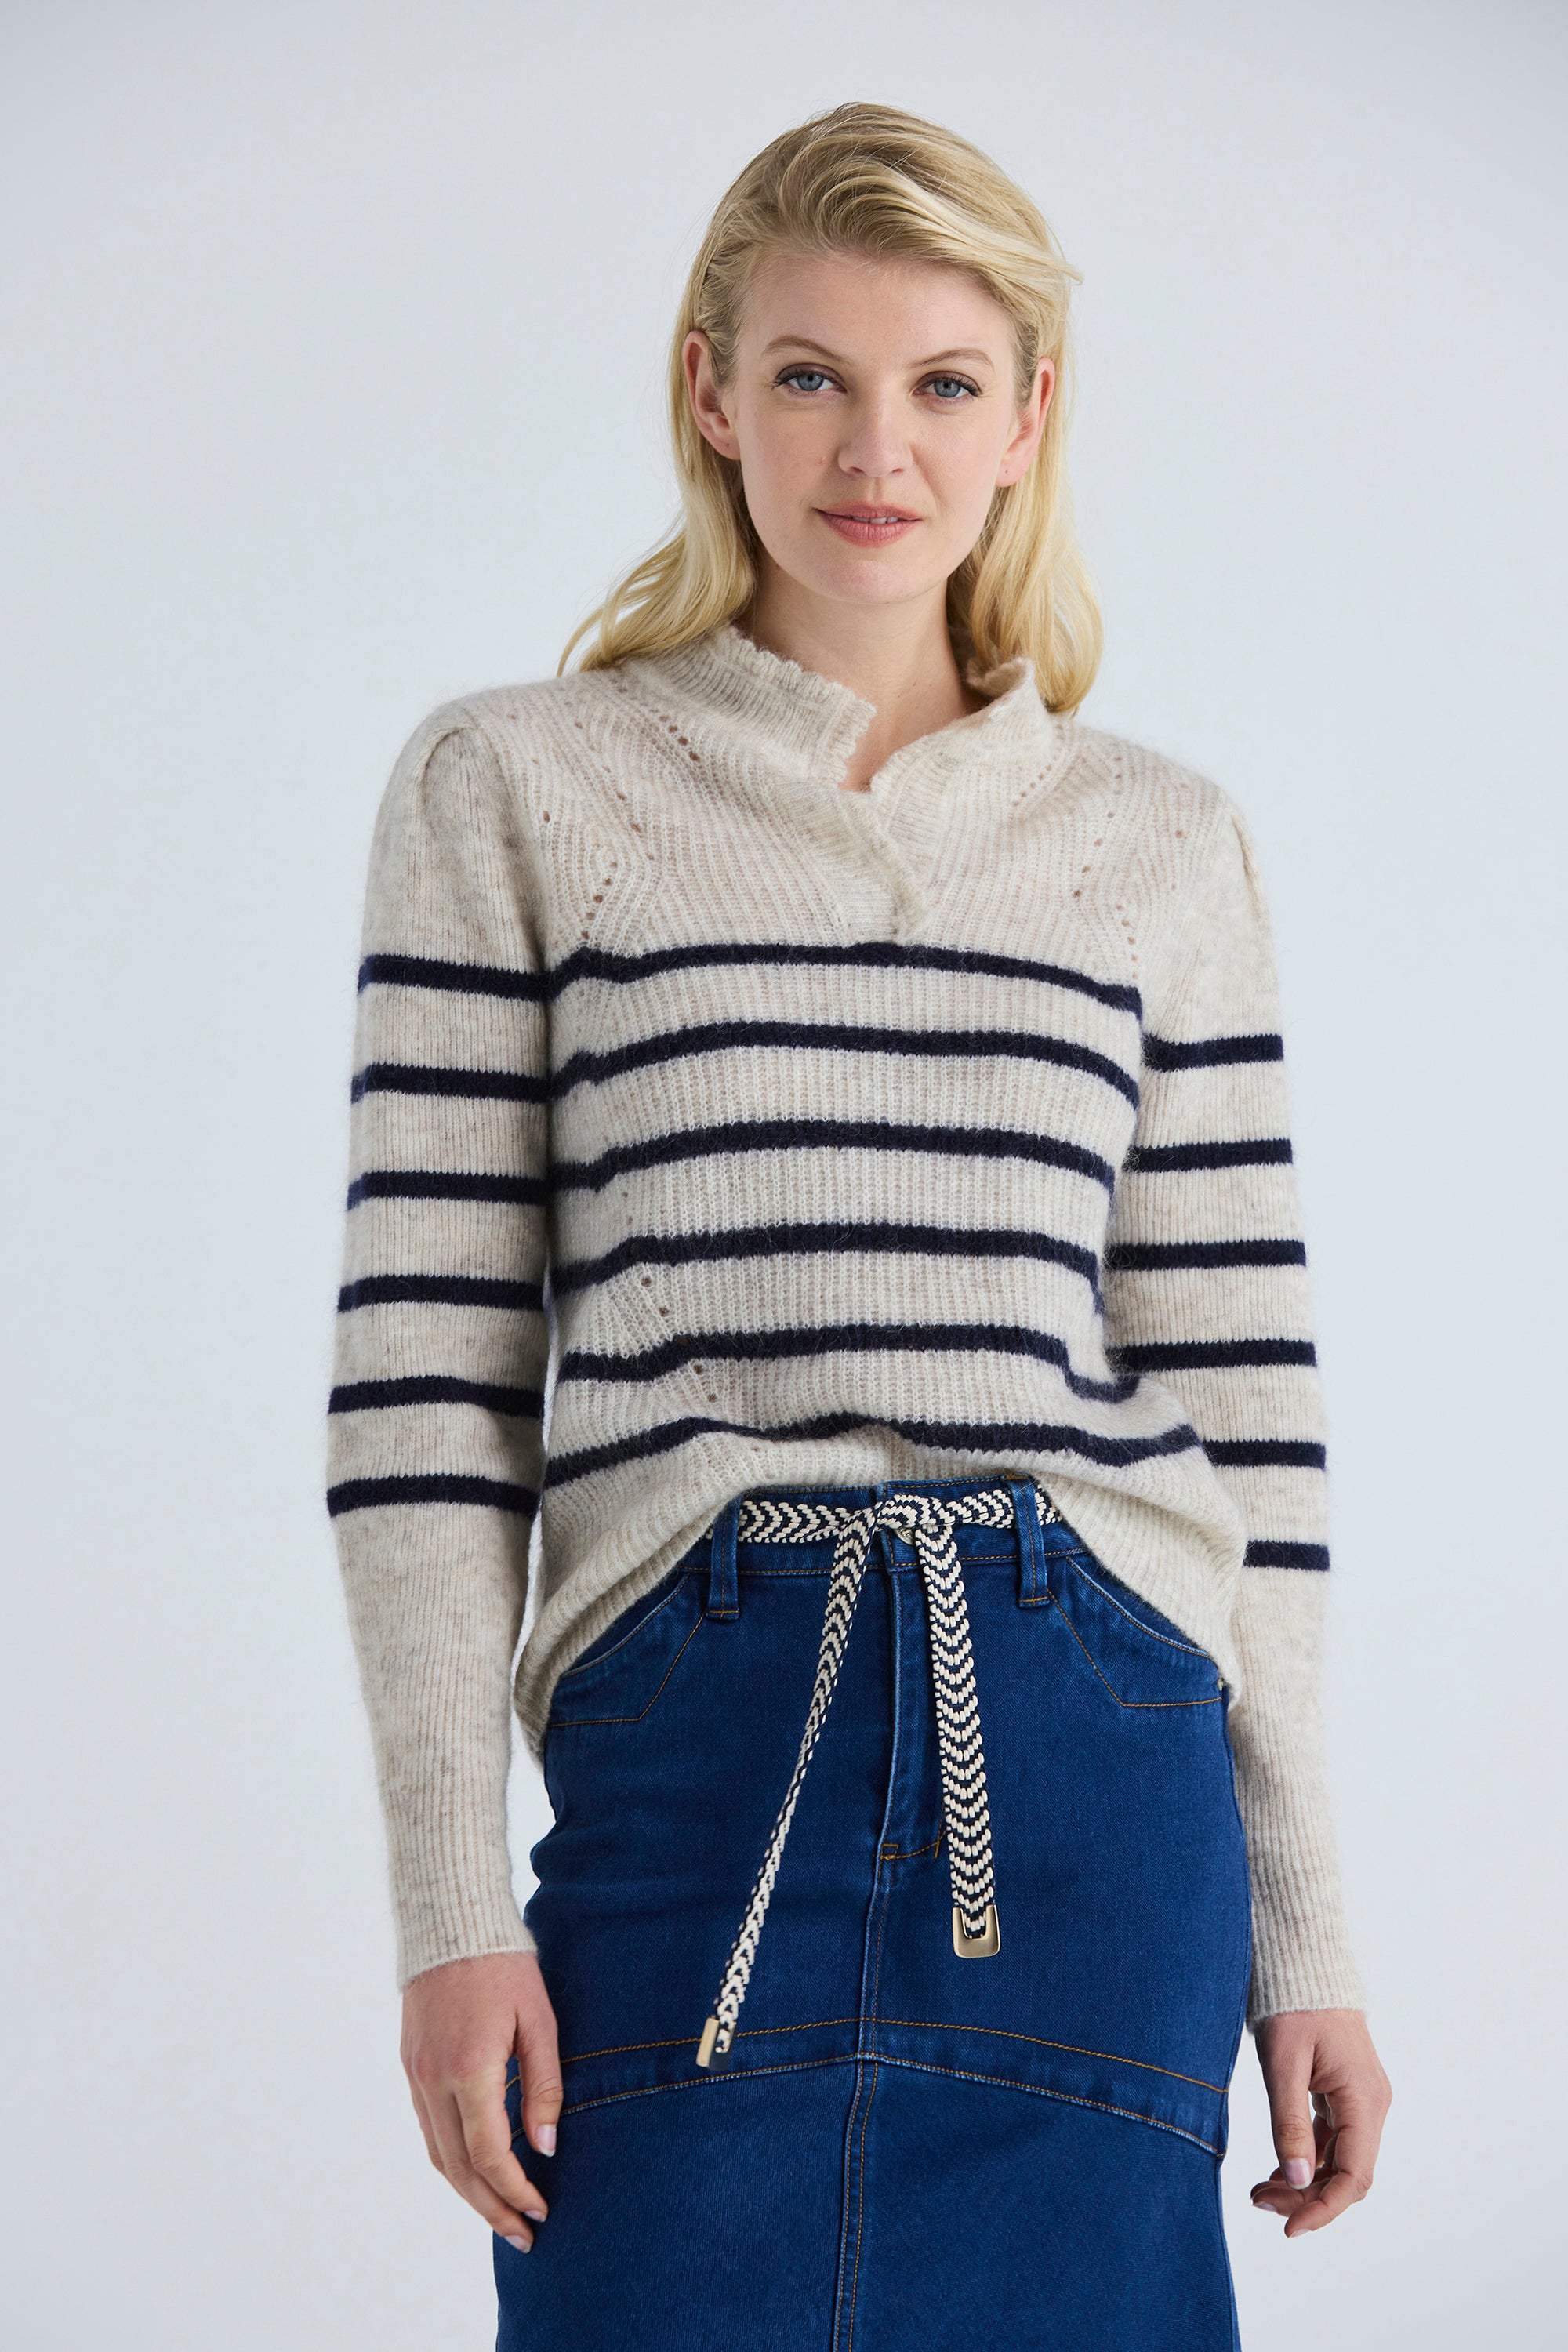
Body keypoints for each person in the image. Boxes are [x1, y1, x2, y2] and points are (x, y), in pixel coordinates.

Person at [328, 100, 1391, 2349]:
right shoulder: (518, 785)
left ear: (1029, 418)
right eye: (809, 372)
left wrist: (1307, 1934)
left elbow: (1252, 1424)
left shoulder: (1161, 845)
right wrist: (448, 1909)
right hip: (693, 1757)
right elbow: (426, 1396)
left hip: (1093, 1763)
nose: (873, 448)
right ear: (711, 393)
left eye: (940, 382)